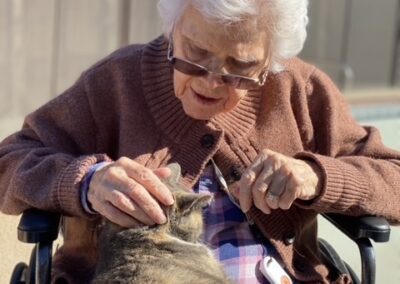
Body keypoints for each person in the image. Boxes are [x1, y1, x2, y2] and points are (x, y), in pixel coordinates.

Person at [1, 0, 399, 283]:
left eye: (241, 67)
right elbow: (11, 160)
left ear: (272, 60)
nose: (210, 81)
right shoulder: (116, 82)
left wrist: (316, 176)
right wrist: (87, 181)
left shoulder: (300, 89)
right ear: (172, 27)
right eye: (195, 52)